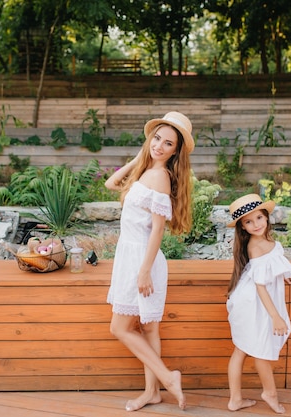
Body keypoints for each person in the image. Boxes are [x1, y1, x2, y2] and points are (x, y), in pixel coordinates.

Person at [104, 111, 195, 412]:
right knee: (148, 329)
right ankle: (152, 392)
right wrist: (141, 156)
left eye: (167, 143)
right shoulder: (148, 171)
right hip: (135, 256)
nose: (159, 145)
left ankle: (168, 378)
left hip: (142, 259)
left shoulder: (158, 177)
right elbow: (111, 183)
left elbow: (157, 229)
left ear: (175, 151)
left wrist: (144, 272)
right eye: (157, 138)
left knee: (119, 328)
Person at [224, 194, 291, 414]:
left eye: (258, 218)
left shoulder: (267, 242)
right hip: (254, 303)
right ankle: (269, 393)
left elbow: (269, 266)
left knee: (243, 350)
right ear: (242, 228)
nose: (255, 224)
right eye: (248, 221)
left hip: (256, 300)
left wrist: (281, 274)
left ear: (266, 217)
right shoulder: (255, 247)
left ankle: (235, 399)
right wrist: (275, 316)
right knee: (260, 350)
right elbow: (260, 285)